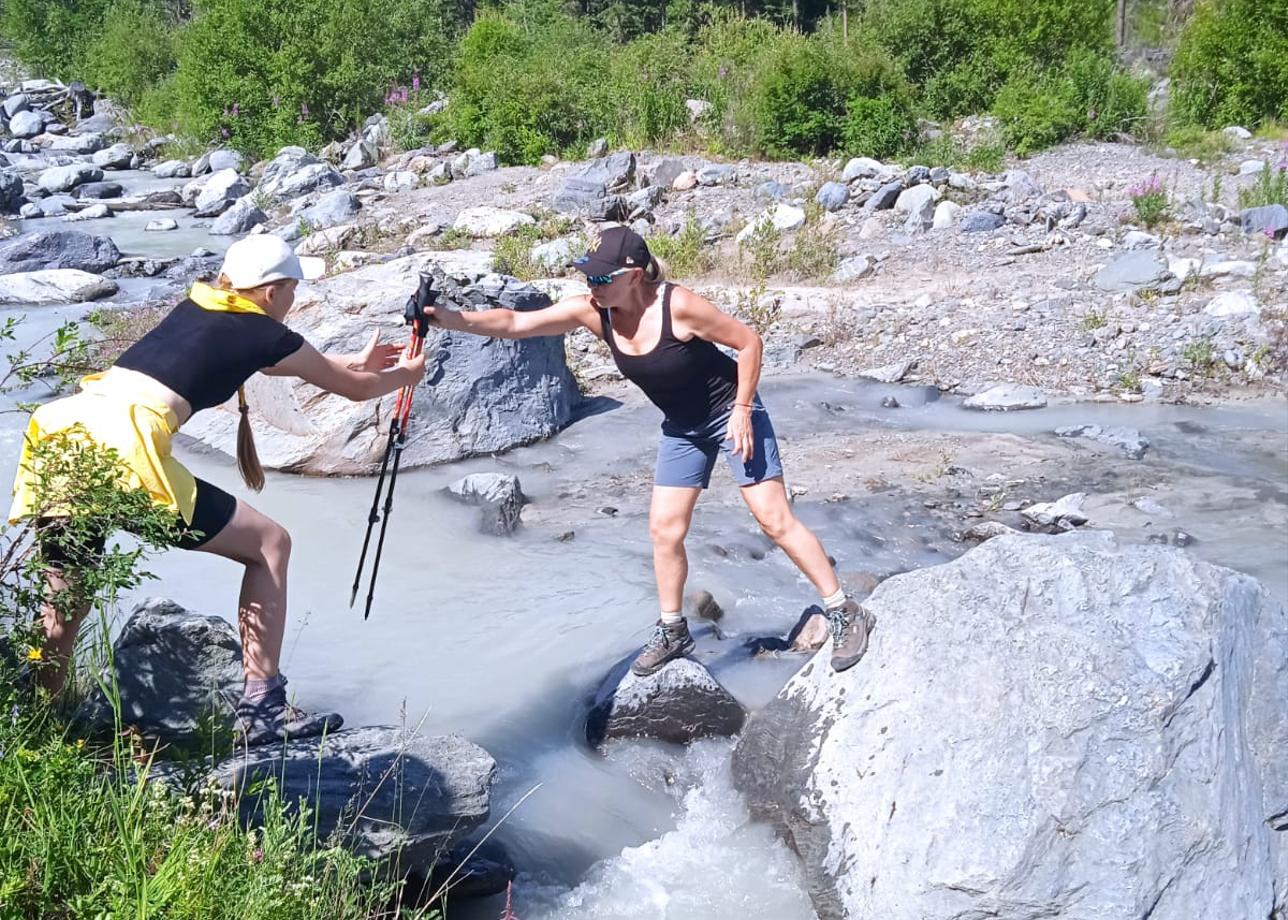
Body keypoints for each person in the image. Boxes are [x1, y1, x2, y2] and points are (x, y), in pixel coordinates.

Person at [9, 235, 426, 743]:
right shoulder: (262, 333)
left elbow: (264, 360)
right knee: (270, 545)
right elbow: (352, 389)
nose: (293, 300)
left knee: (65, 596)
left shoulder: (199, 305)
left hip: (62, 432)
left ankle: (36, 721)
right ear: (272, 293)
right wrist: (407, 374)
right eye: (292, 290)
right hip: (124, 444)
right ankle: (262, 709)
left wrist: (355, 359)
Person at [425, 226, 875, 676]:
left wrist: (742, 409)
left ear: (634, 275)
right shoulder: (592, 311)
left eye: (602, 278)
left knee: (773, 519)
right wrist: (443, 317)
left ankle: (844, 610)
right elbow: (515, 323)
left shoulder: (678, 307)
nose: (592, 286)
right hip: (683, 428)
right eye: (588, 277)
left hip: (730, 412)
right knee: (664, 530)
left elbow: (749, 343)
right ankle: (673, 630)